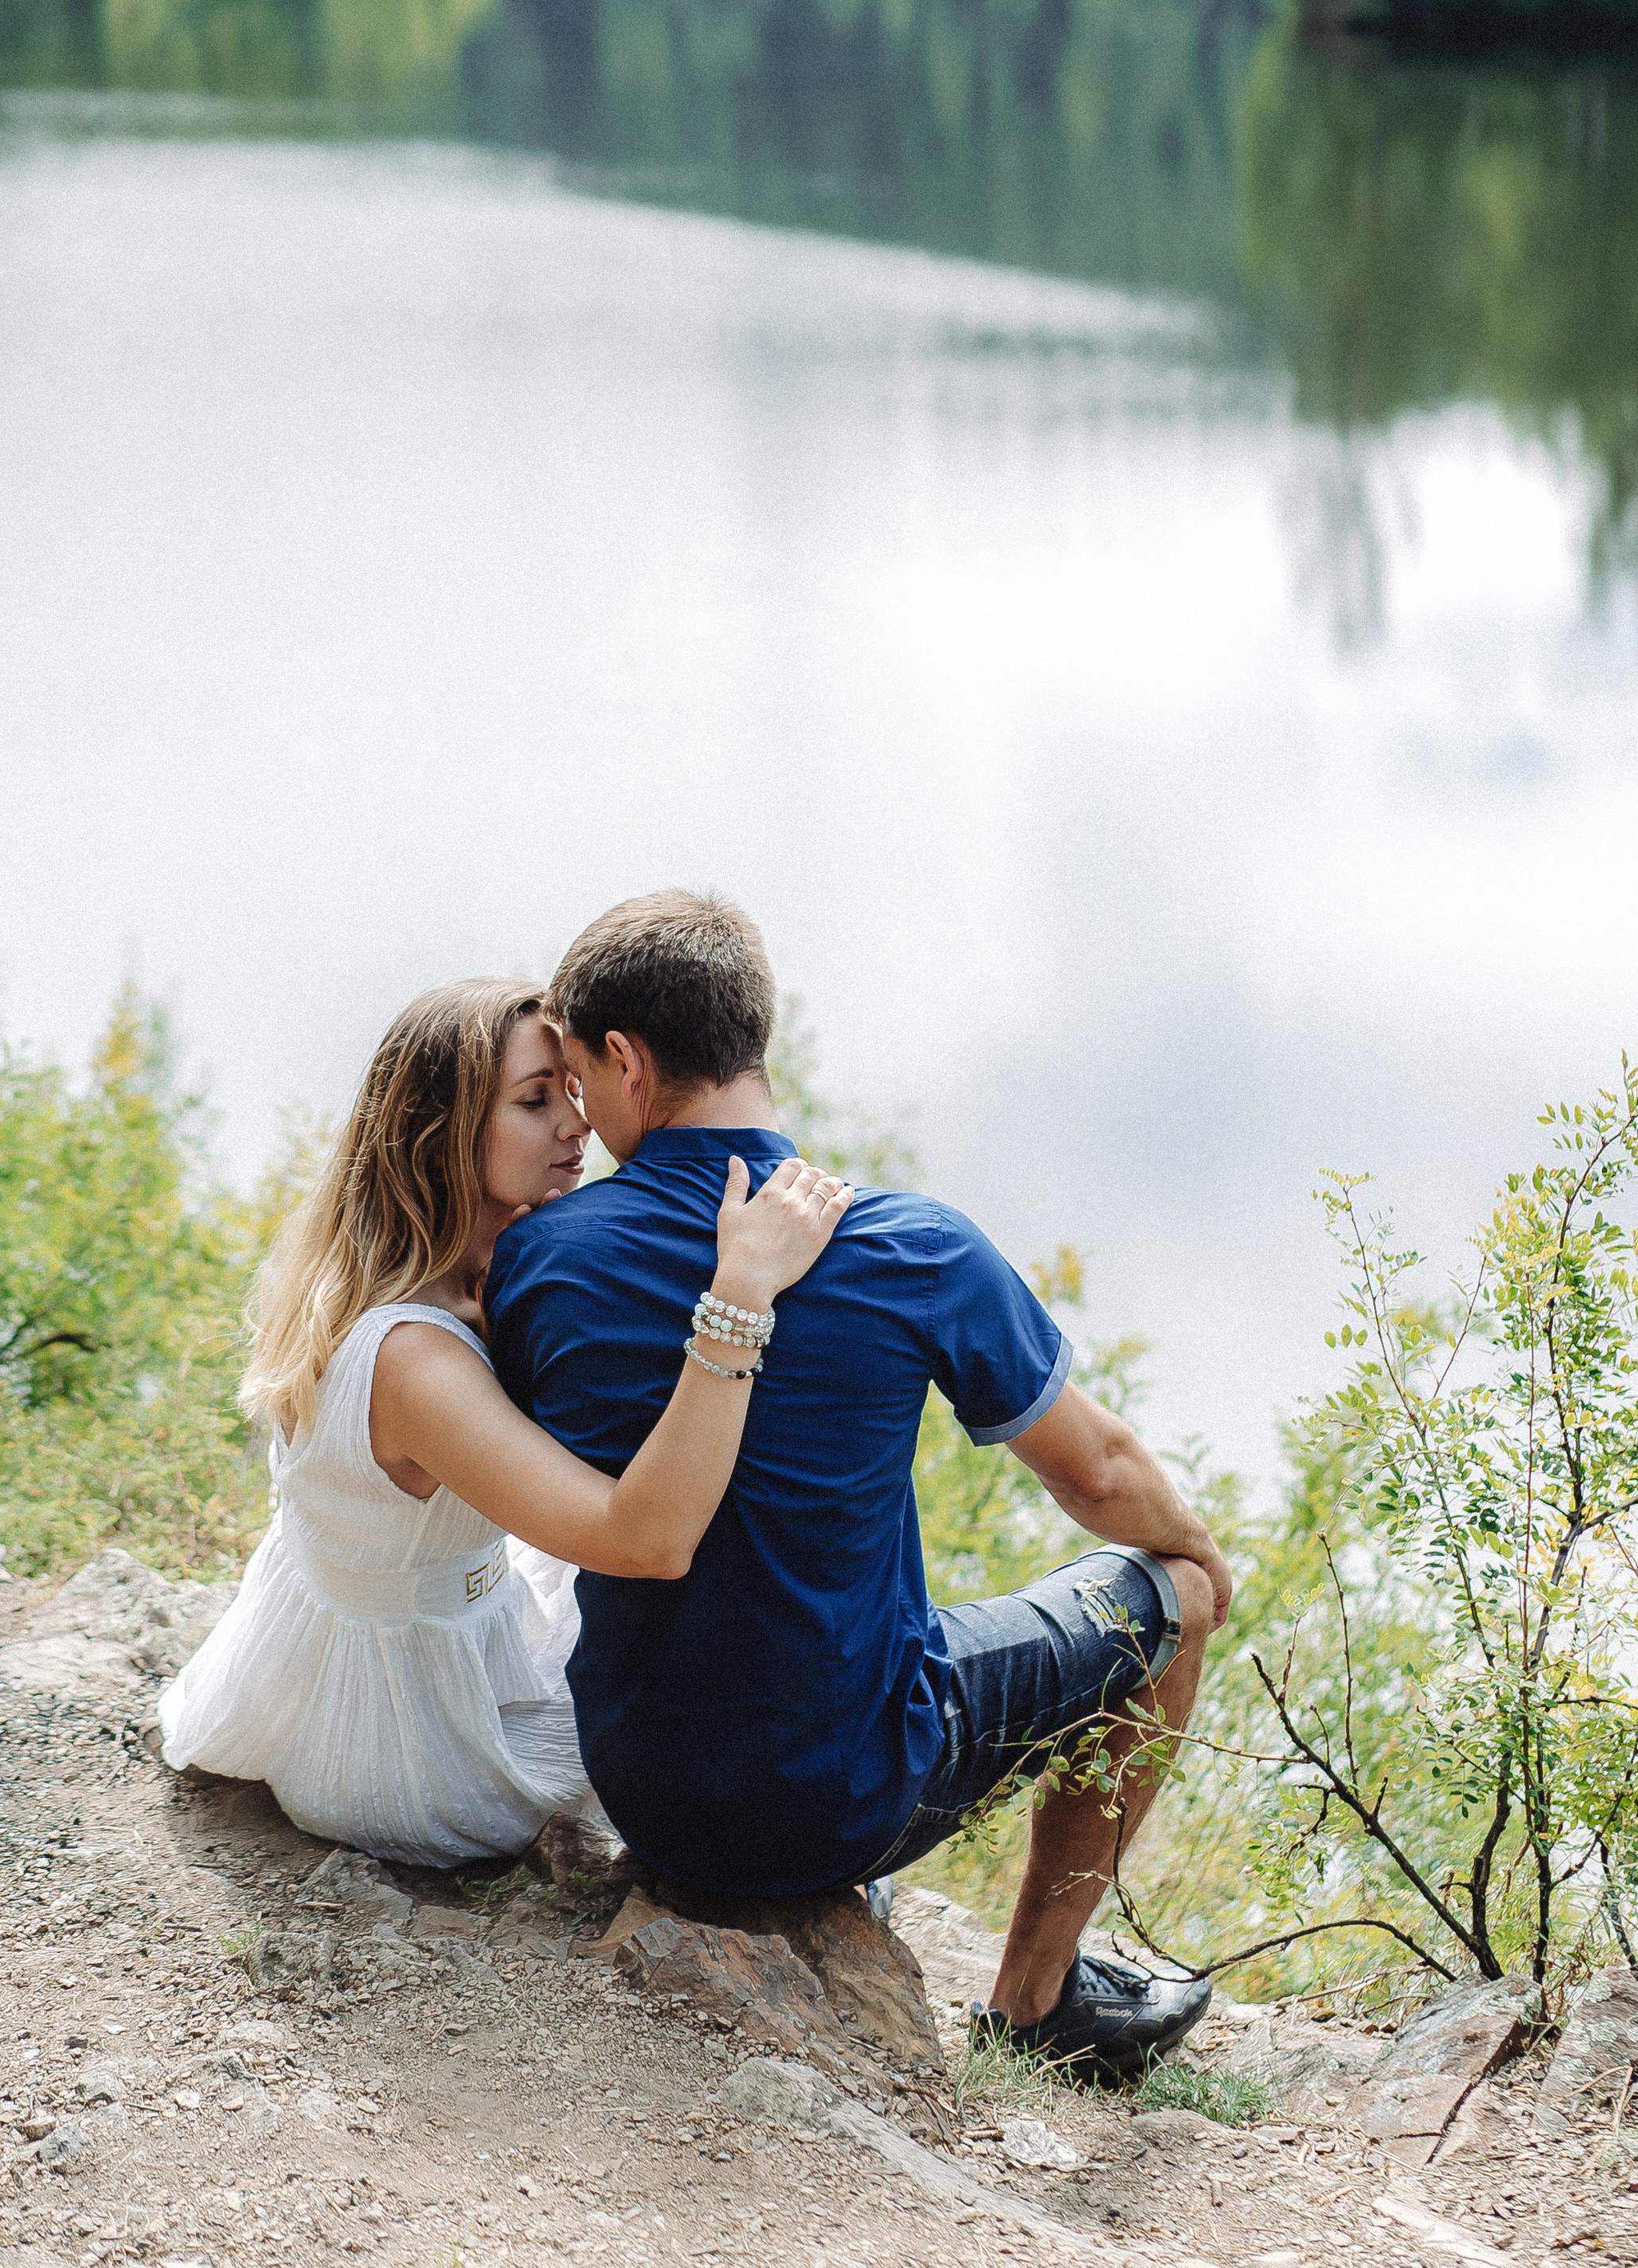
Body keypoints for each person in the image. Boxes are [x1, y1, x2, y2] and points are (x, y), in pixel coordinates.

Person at [486, 891, 1232, 2080]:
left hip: (643, 1785)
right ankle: (1038, 2002)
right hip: (847, 1800)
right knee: (1172, 1595)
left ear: (627, 1059)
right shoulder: (913, 1248)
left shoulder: (541, 1255)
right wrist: (1203, 1554)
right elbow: (1100, 1473)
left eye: (575, 1077)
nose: (577, 1106)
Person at [158, 975, 850, 1865]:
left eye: (572, 1087)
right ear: (439, 1133)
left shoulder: (436, 1277)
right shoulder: (413, 1355)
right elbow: (645, 1540)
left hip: (361, 1647)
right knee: (705, 1640)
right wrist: (741, 1293)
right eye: (534, 1099)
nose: (578, 1122)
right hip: (409, 1749)